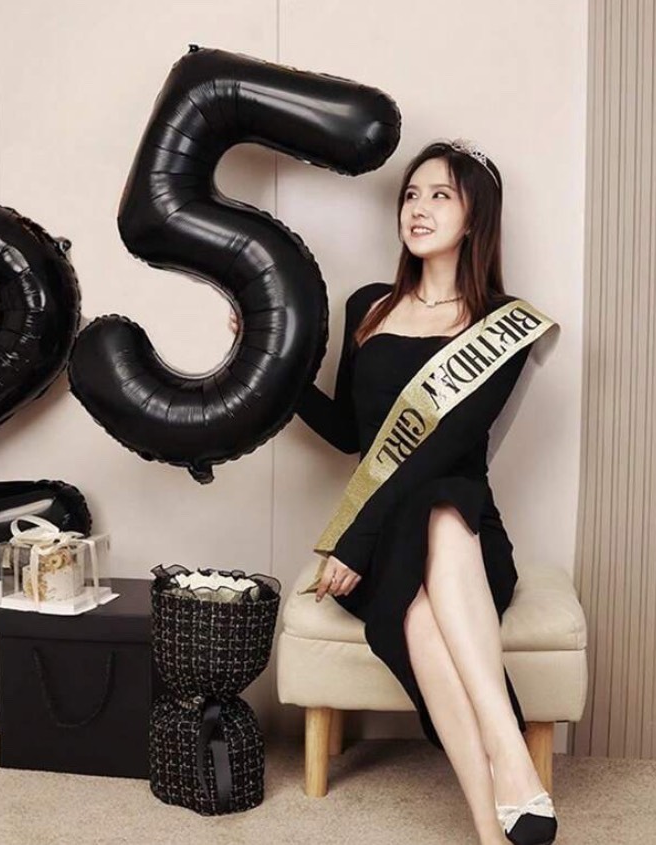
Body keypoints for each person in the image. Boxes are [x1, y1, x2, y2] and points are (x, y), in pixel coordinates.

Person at [229, 139, 558, 845]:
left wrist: (355, 542)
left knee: (440, 501)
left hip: (462, 540)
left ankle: (500, 771)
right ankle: (501, 796)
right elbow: (352, 433)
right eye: (411, 194)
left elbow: (442, 446)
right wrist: (269, 364)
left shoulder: (503, 324)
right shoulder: (370, 307)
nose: (418, 208)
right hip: (383, 545)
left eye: (440, 195)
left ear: (475, 217)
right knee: (420, 601)